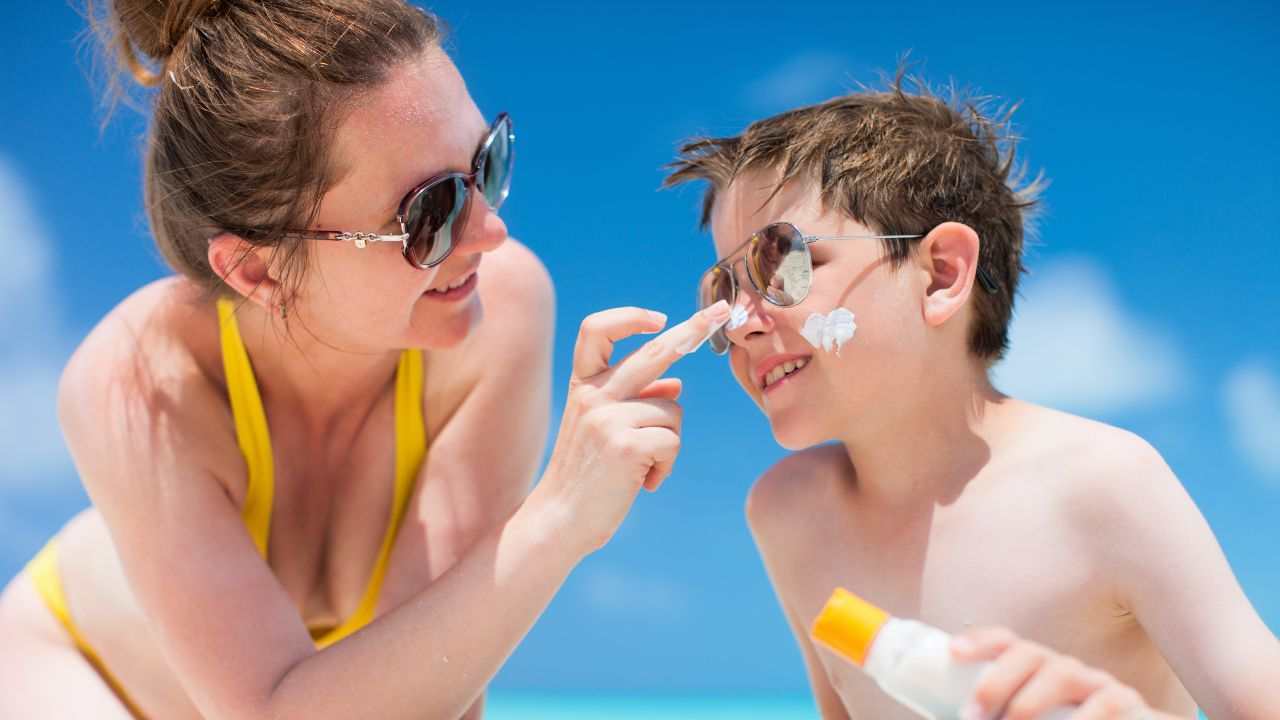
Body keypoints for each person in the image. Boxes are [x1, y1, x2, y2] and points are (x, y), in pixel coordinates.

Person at [0, 1, 727, 717]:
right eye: (429, 213)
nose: (492, 232)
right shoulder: (134, 384)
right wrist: (561, 513)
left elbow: (439, 676)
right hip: (76, 669)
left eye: (488, 163)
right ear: (258, 273)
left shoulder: (497, 313)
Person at [665, 75, 1280, 719]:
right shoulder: (790, 513)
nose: (741, 321)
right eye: (723, 291)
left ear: (941, 274)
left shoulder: (1099, 488)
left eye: (782, 264)